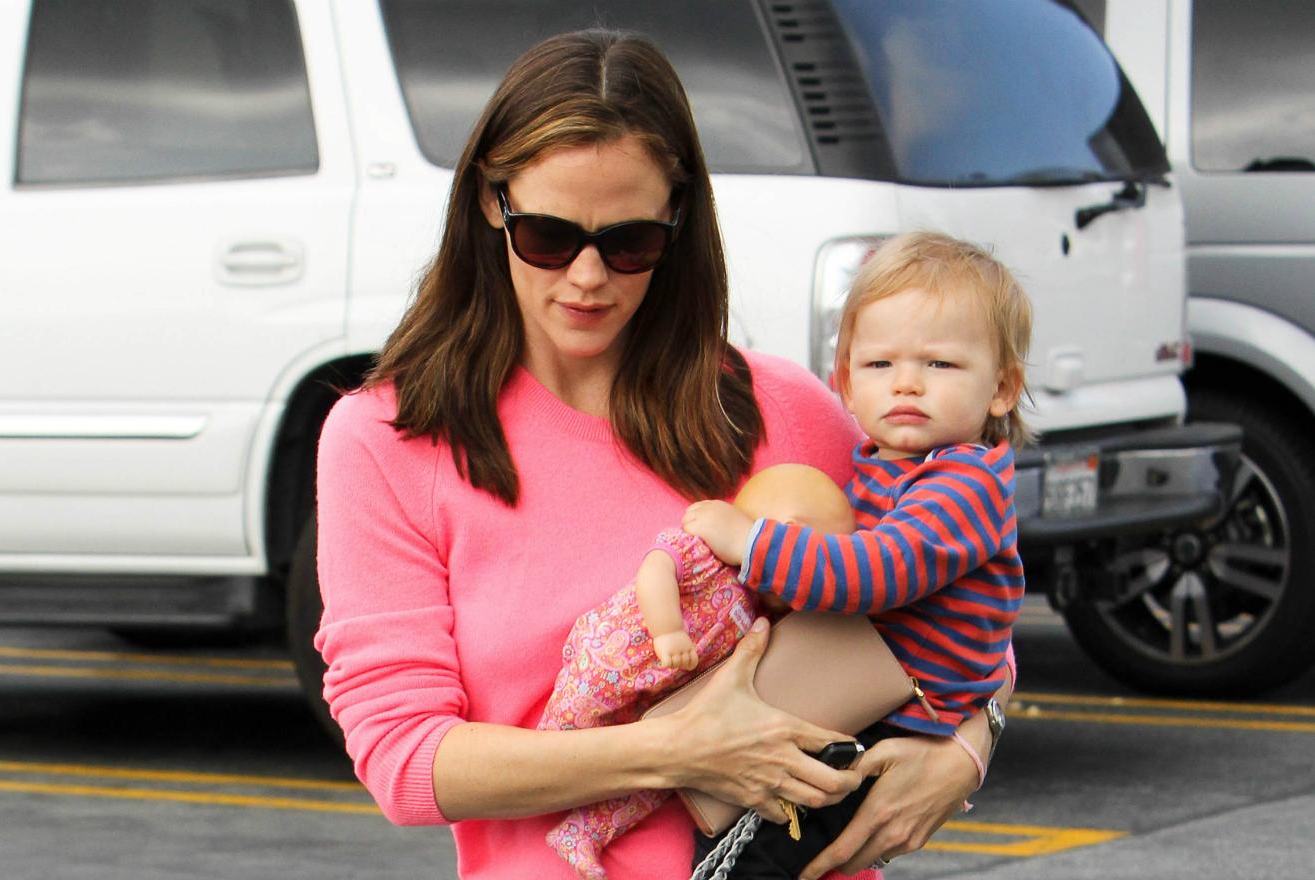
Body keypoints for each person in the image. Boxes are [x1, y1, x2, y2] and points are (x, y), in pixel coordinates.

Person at [313, 30, 1001, 880]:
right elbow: (405, 761)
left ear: (678, 222)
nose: (589, 275)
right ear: (489, 206)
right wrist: (675, 752)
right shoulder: (388, 439)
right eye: (548, 236)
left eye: (629, 240)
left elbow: (965, 599)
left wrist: (967, 750)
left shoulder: (781, 408)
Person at [682, 231, 1031, 877]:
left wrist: (748, 541)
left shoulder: (965, 482)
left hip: (889, 725)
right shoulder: (885, 468)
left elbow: (873, 574)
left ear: (1002, 388)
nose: (908, 384)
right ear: (843, 380)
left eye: (940, 365)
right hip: (859, 700)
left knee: (753, 861)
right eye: (880, 366)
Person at [538, 464, 856, 879]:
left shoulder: (756, 605)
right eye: (819, 564)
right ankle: (546, 766)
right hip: (616, 659)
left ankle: (583, 834)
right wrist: (667, 629)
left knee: (651, 784)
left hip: (666, 707)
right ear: (789, 533)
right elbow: (655, 570)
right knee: (574, 719)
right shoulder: (702, 552)